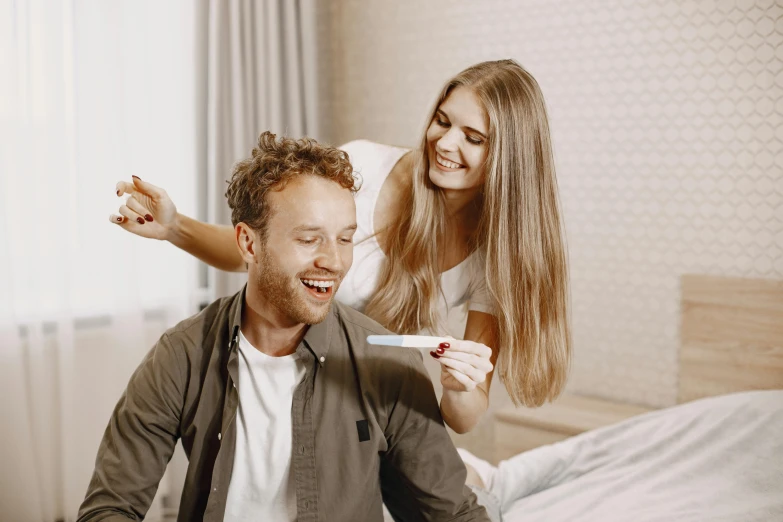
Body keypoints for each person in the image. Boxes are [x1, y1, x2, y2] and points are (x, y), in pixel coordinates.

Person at [111, 59, 571, 435]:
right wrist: (175, 228)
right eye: (442, 121)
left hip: (366, 415)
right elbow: (252, 253)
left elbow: (465, 417)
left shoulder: (492, 255)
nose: (444, 143)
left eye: (473, 138)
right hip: (280, 387)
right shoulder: (366, 166)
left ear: (509, 159)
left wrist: (459, 384)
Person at [80, 133, 489, 522]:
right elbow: (108, 509)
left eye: (345, 239)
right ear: (248, 244)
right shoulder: (182, 356)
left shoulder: (388, 365)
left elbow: (454, 512)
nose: (334, 262)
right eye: (310, 239)